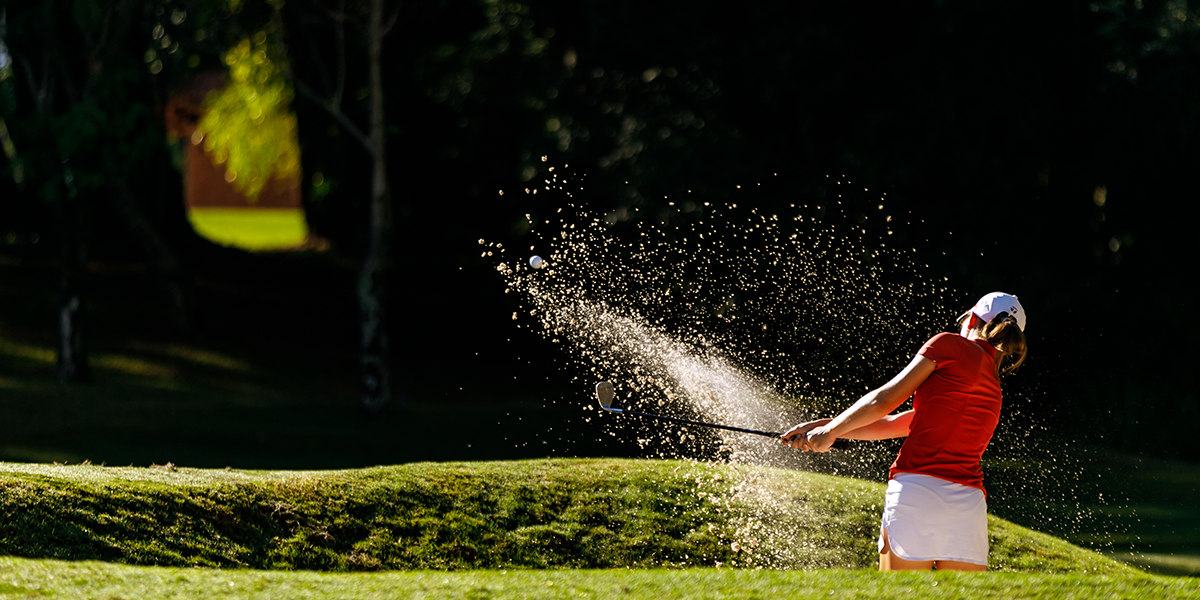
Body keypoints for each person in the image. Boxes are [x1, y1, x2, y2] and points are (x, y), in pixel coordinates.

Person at [780, 292, 1028, 572]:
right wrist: (825, 427)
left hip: (916, 493)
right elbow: (894, 423)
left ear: (971, 318)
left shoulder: (950, 345)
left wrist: (829, 432)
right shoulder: (992, 387)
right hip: (967, 505)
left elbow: (882, 401)